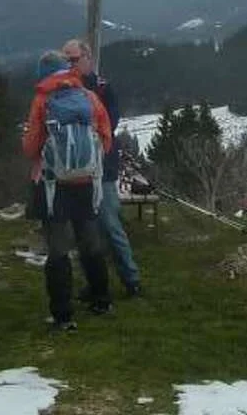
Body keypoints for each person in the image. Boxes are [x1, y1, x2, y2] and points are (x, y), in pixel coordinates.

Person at [23, 51, 114, 332]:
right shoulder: (89, 97)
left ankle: (63, 315)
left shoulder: (42, 100)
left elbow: (31, 146)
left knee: (58, 250)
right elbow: (106, 138)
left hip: (54, 186)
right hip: (87, 184)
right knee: (90, 242)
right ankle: (101, 299)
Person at [62, 38, 142, 298]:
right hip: (74, 170)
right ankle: (94, 283)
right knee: (85, 230)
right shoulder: (62, 89)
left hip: (102, 166)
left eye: (73, 59)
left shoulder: (102, 88)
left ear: (87, 59)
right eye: (66, 60)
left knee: (109, 224)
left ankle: (131, 279)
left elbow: (112, 122)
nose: (69, 65)